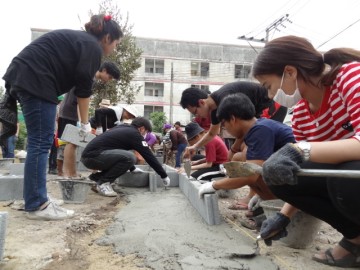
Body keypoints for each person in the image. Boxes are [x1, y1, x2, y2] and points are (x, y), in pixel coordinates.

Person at [252, 35, 360, 267]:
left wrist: (300, 149)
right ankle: (356, 240)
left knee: (345, 179)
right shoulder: (301, 114)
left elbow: (307, 152)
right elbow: (304, 168)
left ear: (289, 72)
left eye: (268, 86)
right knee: (281, 178)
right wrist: (283, 216)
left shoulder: (349, 76)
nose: (271, 96)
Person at [1, 14, 123, 220]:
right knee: (41, 143)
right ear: (107, 37)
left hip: (24, 75)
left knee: (42, 142)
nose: (115, 48)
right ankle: (37, 204)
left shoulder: (80, 41)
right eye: (117, 44)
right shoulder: (92, 47)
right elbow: (84, 91)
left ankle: (37, 197)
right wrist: (85, 124)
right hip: (36, 80)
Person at [179, 83, 287, 210]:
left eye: (195, 112)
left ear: (201, 102)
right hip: (254, 120)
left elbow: (245, 128)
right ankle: (260, 195)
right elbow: (212, 133)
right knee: (239, 156)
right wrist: (194, 147)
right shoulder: (215, 110)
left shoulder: (226, 99)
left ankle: (257, 197)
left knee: (250, 156)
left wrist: (214, 185)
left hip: (272, 105)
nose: (197, 116)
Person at [198, 94, 295, 228]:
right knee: (240, 159)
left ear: (232, 119)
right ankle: (265, 203)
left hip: (300, 181)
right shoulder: (257, 127)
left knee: (252, 172)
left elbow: (251, 175)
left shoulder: (260, 130)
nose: (227, 130)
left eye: (225, 125)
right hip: (290, 173)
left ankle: (273, 211)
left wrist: (214, 185)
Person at [81, 117, 170, 197]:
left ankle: (95, 179)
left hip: (90, 157)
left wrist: (132, 168)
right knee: (130, 157)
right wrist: (164, 175)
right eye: (146, 132)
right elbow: (149, 156)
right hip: (93, 157)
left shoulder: (124, 128)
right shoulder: (135, 134)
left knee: (128, 156)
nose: (145, 135)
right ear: (142, 128)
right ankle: (104, 183)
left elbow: (117, 151)